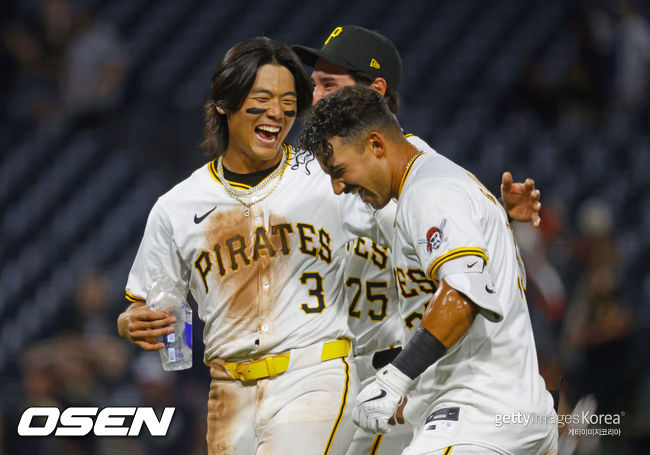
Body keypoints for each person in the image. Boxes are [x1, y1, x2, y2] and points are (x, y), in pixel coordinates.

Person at [117, 36, 397, 455]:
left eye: (288, 100)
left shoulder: (327, 175)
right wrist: (132, 321)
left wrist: (496, 215)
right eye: (262, 97)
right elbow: (148, 301)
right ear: (224, 103)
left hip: (314, 375)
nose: (277, 112)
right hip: (228, 393)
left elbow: (410, 208)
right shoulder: (176, 207)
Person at [294, 25, 543, 455]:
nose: (315, 97)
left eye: (329, 85)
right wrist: (498, 219)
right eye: (314, 85)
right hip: (428, 386)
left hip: (474, 401)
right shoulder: (414, 177)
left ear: (373, 97)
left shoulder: (425, 190)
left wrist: (395, 379)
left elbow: (463, 291)